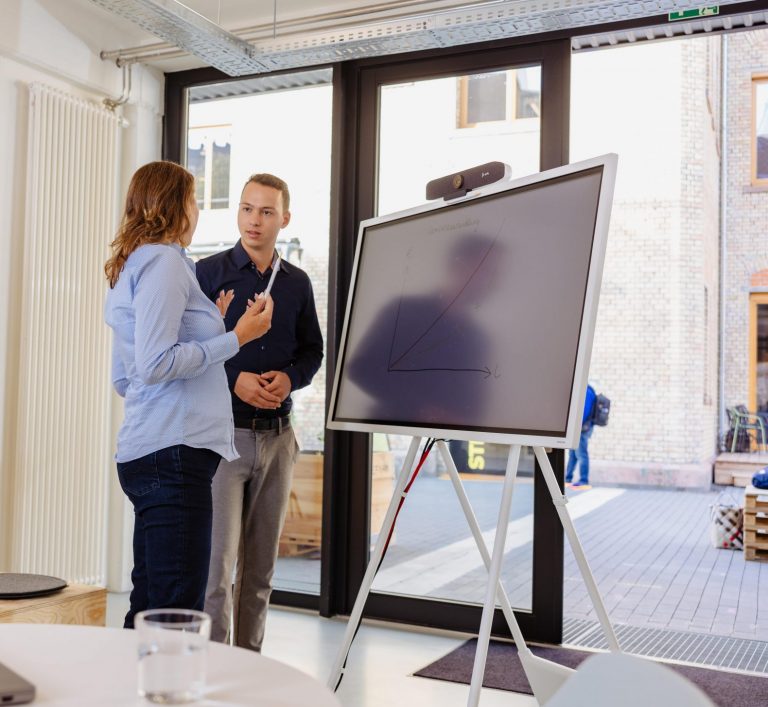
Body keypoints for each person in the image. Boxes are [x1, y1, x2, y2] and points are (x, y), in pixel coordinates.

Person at [104, 161, 273, 629]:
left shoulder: (134, 264)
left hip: (150, 451)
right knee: (175, 614)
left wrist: (207, 324)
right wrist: (237, 336)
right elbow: (155, 364)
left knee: (151, 605)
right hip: (173, 457)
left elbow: (126, 379)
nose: (197, 210)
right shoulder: (164, 263)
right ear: (176, 205)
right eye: (194, 199)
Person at [196, 173, 323, 652]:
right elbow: (190, 351)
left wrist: (290, 378)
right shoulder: (207, 274)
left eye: (266, 211)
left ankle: (249, 667)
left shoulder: (297, 283)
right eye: (247, 209)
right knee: (216, 572)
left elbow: (312, 351)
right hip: (222, 437)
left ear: (283, 219)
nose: (254, 220)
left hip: (279, 438)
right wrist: (234, 379)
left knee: (261, 573)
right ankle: (212, 673)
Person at [566, 383, 596, 489]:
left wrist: (576, 425)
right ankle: (567, 478)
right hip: (578, 428)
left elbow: (584, 411)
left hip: (582, 429)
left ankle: (584, 480)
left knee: (581, 454)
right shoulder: (586, 389)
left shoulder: (587, 391)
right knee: (572, 454)